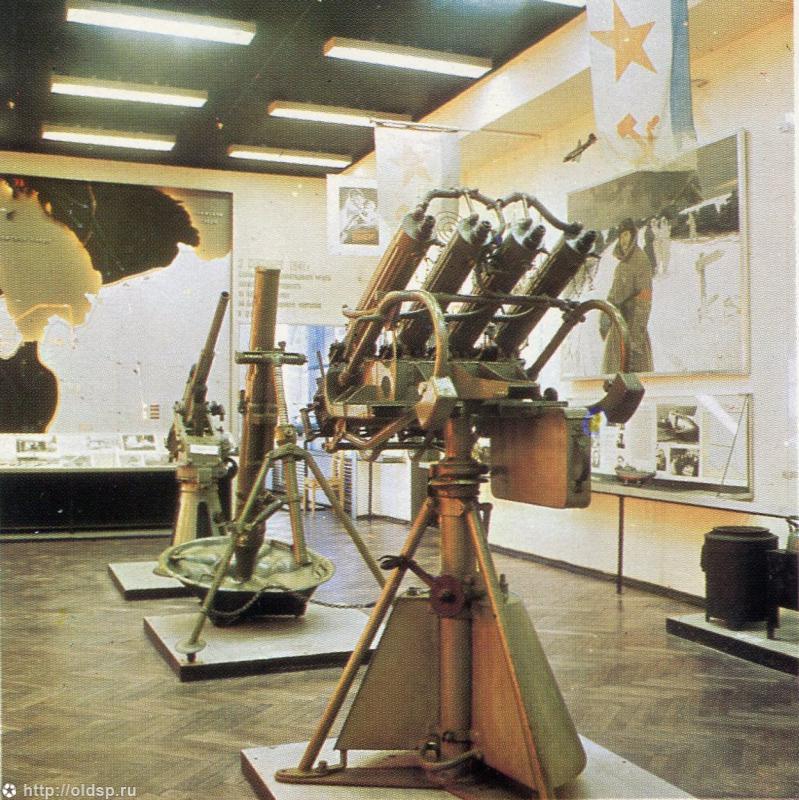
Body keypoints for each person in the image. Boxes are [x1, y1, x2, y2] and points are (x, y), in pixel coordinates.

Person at [599, 217, 654, 373]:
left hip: (632, 329)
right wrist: (605, 319)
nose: (623, 240)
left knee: (632, 377)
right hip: (618, 328)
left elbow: (644, 300)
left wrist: (635, 342)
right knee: (613, 378)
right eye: (620, 236)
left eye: (626, 235)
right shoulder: (623, 263)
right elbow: (614, 295)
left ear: (633, 236)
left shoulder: (640, 260)